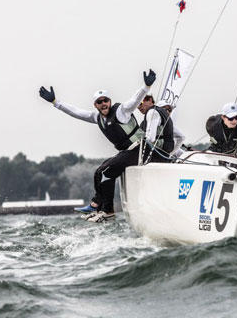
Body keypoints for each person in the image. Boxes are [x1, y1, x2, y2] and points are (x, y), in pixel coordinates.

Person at [39, 69, 156, 223]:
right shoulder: (96, 117)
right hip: (128, 153)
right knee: (99, 172)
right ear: (95, 105)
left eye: (105, 100)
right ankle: (99, 207)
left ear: (110, 101)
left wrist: (146, 87)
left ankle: (105, 210)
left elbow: (135, 100)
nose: (103, 104)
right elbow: (76, 112)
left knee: (106, 171)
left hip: (141, 149)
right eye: (99, 102)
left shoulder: (121, 111)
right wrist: (56, 102)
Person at [137, 96, 174, 162]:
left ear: (150, 100)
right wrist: (172, 154)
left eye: (140, 103)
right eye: (136, 105)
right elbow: (181, 136)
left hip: (156, 154)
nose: (138, 107)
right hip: (166, 154)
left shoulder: (152, 112)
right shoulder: (166, 115)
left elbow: (151, 138)